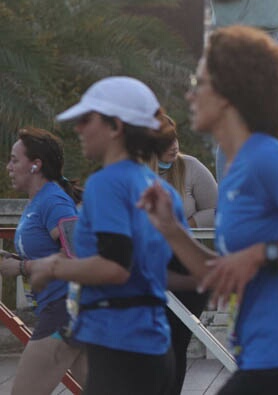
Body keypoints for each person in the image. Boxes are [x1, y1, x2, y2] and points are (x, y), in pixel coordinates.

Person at [138, 25, 278, 395]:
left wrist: (264, 253)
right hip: (266, 360)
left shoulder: (267, 159)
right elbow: (221, 273)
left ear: (229, 94)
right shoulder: (234, 171)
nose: (190, 93)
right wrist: (171, 230)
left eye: (201, 82)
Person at [30, 76, 187, 395]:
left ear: (116, 126)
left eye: (88, 119)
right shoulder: (163, 190)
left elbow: (115, 266)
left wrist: (50, 267)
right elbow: (180, 273)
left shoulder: (107, 184)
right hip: (156, 344)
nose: (79, 128)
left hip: (120, 346)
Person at [1, 127, 86, 395]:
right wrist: (14, 260)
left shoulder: (54, 202)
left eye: (15, 160)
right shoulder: (39, 201)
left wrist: (20, 267)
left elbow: (77, 256)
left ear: (36, 165)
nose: (8, 167)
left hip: (63, 313)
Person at [148, 115, 218, 395]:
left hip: (186, 267)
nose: (174, 146)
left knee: (176, 340)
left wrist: (186, 224)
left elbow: (218, 210)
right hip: (151, 265)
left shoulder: (191, 167)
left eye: (175, 139)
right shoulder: (134, 174)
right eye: (165, 142)